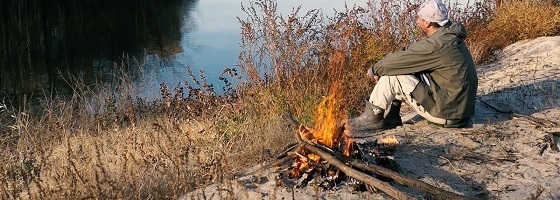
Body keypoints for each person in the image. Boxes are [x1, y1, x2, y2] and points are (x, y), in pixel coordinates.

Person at [344, 0, 478, 136]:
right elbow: (410, 54)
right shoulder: (449, 37)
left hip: (448, 114)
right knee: (402, 67)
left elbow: (396, 62)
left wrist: (374, 69)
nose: (417, 21)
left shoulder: (437, 44)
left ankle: (372, 119)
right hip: (459, 111)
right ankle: (392, 118)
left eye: (419, 18)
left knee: (393, 76)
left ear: (428, 23)